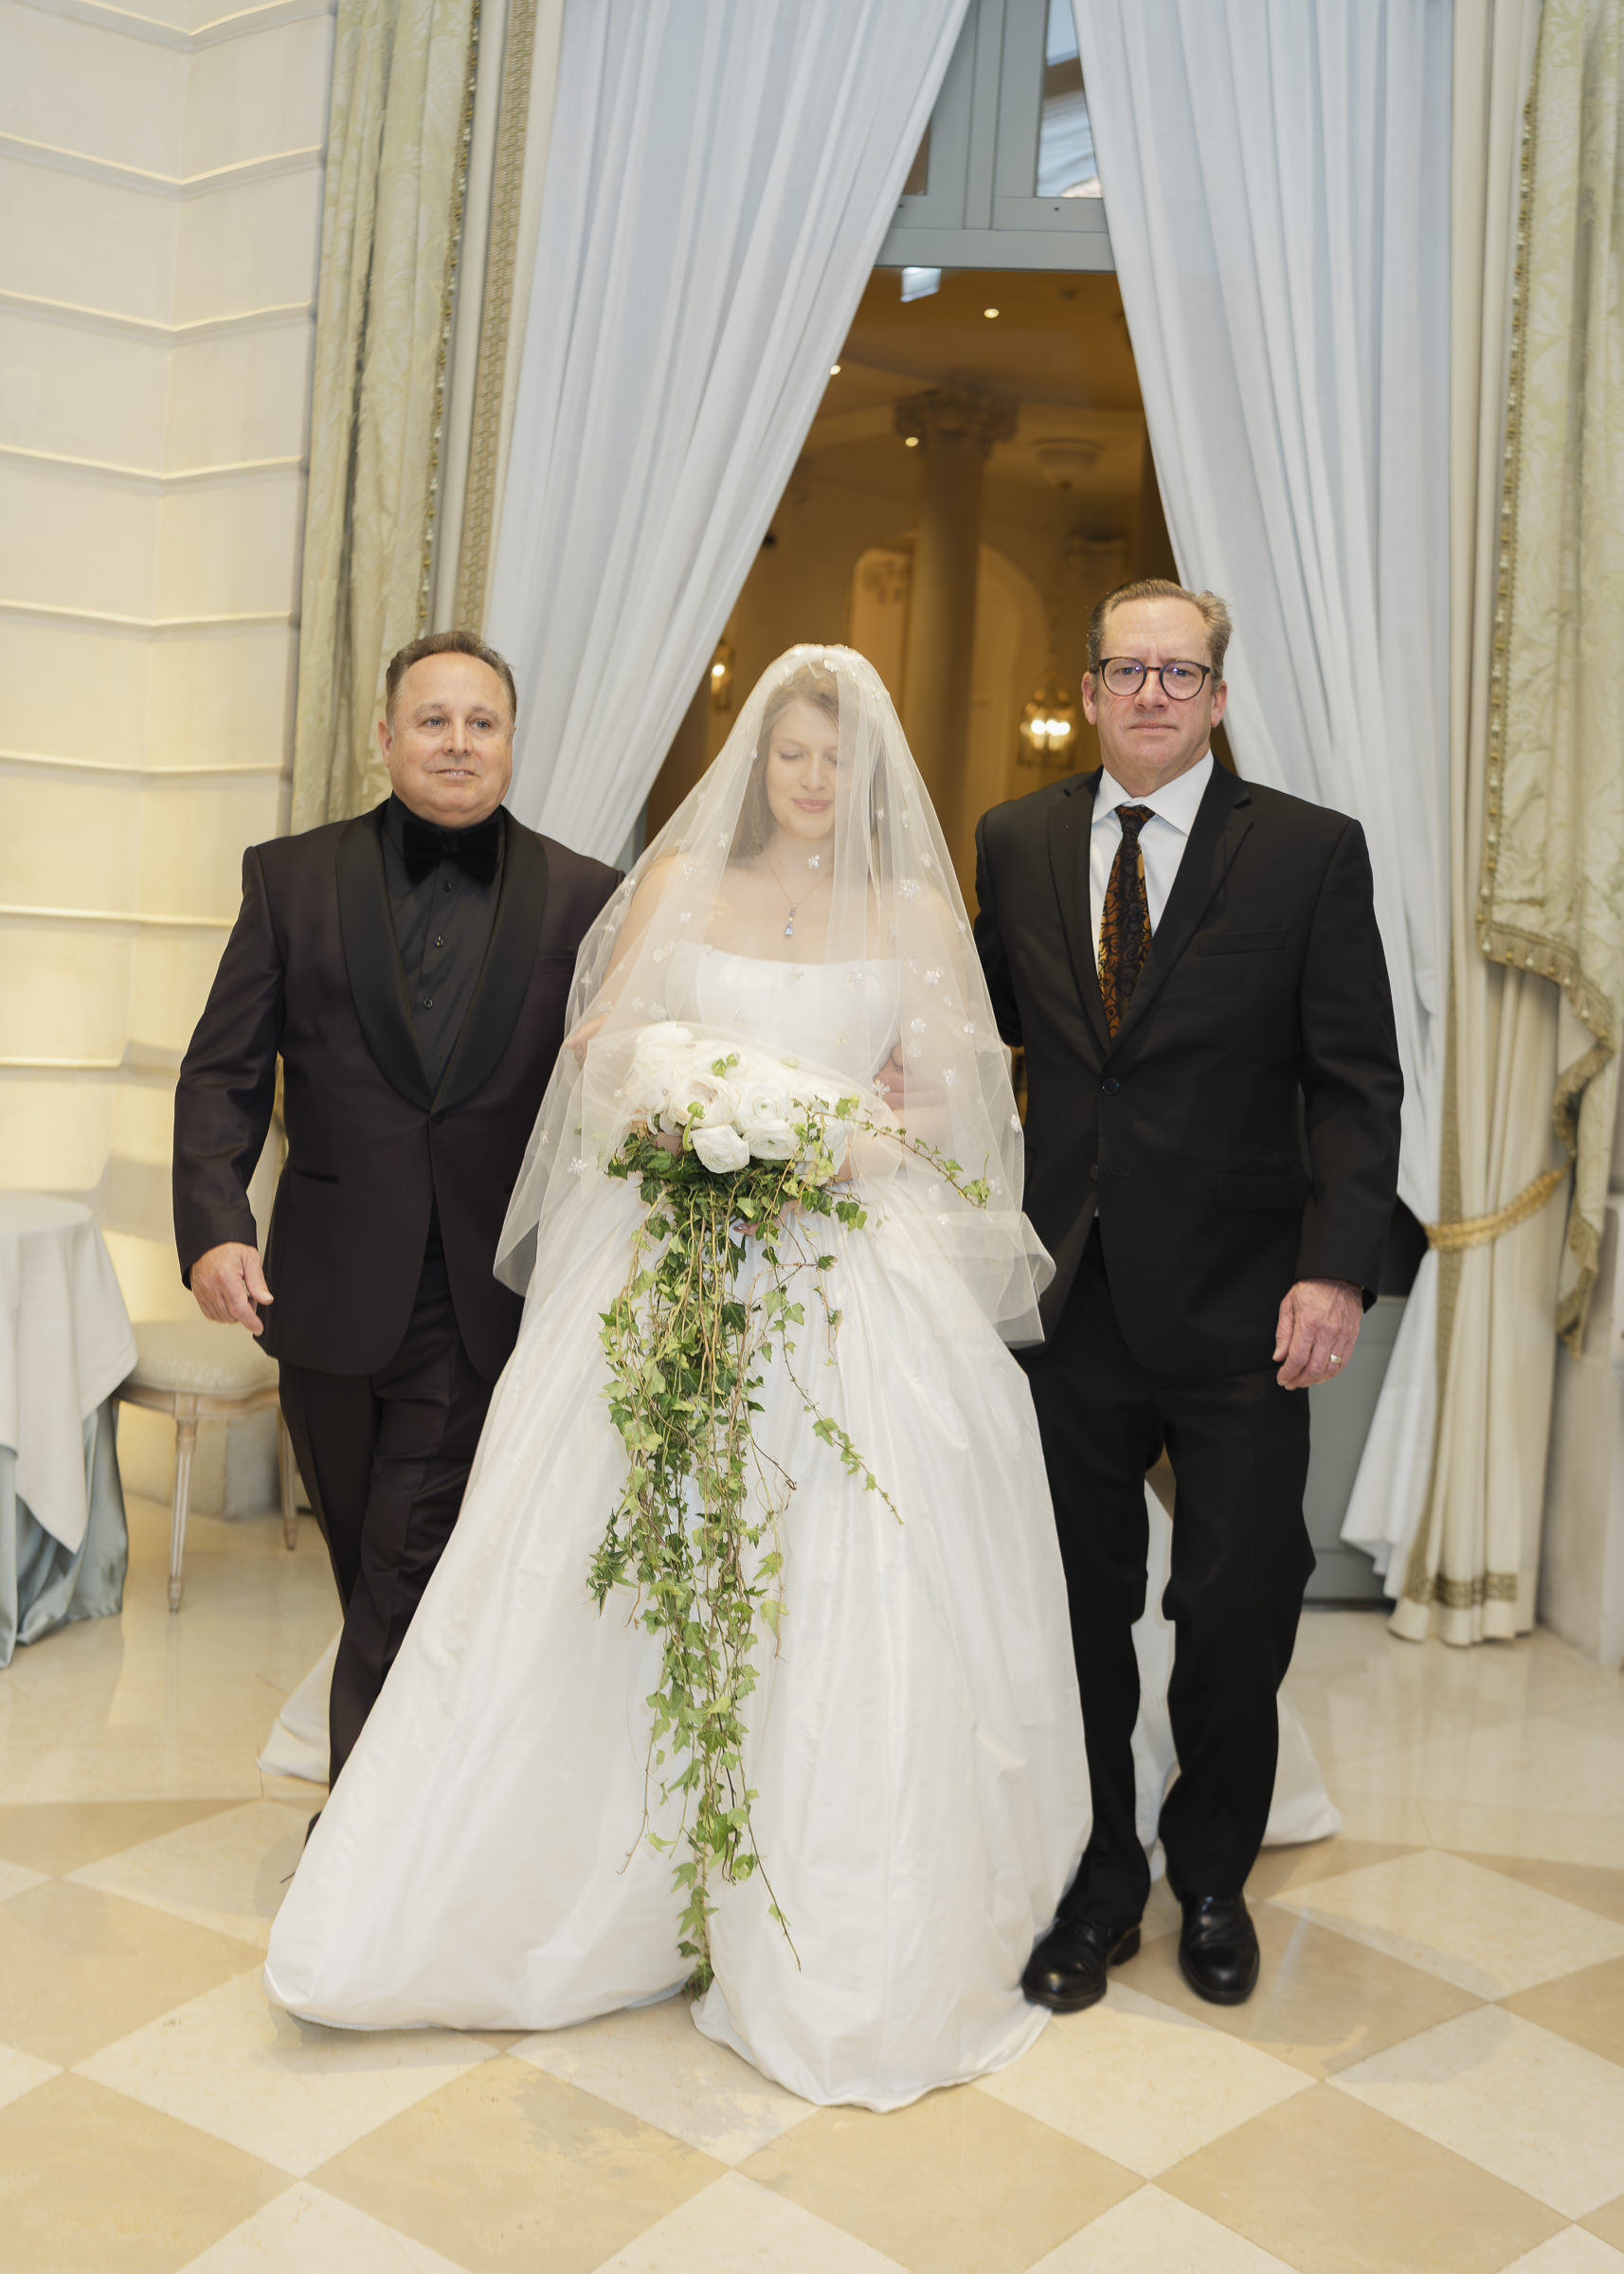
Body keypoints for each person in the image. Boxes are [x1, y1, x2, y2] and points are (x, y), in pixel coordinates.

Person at [263, 646, 1090, 2112]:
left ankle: (811, 1893)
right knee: (606, 1560)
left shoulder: (912, 913)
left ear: (869, 774)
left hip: (847, 1273)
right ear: (754, 763)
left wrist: (848, 1136)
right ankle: (601, 1878)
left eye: (838, 759)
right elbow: (603, 1068)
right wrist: (672, 1106)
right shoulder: (678, 886)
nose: (814, 781)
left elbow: (949, 1103)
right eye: (792, 756)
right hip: (668, 1258)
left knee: (846, 1565)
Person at [975, 579, 1401, 2012]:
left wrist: (1333, 1266)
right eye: (1126, 669)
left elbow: (1354, 1082)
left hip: (1245, 1302)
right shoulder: (1016, 839)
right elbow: (978, 1029)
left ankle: (1210, 1874)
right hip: (1068, 1297)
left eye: (1179, 673)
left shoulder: (1307, 851)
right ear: (1088, 688)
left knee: (1235, 1598)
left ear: (1218, 697)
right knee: (1075, 1606)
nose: (1150, 693)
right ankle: (1099, 1878)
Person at [171, 631, 620, 1797]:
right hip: (323, 1288)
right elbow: (222, 1071)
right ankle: (420, 1785)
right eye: (433, 720)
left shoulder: (589, 895)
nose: (458, 743)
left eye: (482, 722)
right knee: (367, 1556)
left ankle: (361, 1832)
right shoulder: (289, 878)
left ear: (512, 741)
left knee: (406, 1554)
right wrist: (217, 1223)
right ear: (386, 737)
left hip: (483, 1293)